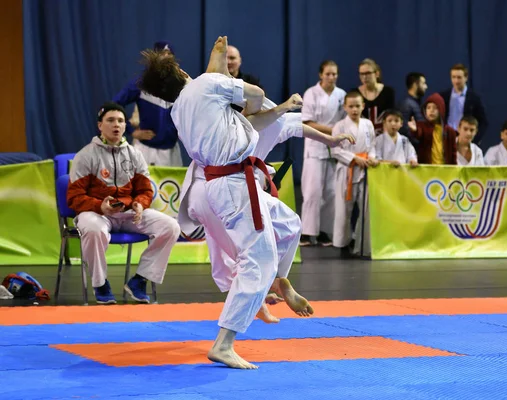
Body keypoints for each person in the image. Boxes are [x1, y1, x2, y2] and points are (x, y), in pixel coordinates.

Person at [138, 36, 313, 370]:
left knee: (290, 225)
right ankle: (224, 342)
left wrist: (218, 71)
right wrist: (227, 77)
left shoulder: (179, 108)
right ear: (179, 71)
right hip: (234, 184)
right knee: (256, 260)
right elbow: (257, 97)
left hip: (223, 182)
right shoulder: (205, 85)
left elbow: (210, 90)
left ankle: (276, 281)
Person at [177, 97, 355, 323]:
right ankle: (273, 283)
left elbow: (296, 125)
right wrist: (329, 140)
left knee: (238, 258)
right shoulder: (272, 120)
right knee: (285, 228)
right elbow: (298, 126)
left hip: (221, 192)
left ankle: (265, 291)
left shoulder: (226, 120)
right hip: (231, 189)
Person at [67, 102, 180, 304]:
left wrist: (139, 204)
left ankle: (140, 280)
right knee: (94, 229)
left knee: (170, 226)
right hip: (96, 213)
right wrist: (99, 206)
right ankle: (100, 284)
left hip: (128, 213)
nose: (116, 125)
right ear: (100, 125)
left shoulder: (135, 155)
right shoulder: (85, 156)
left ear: (126, 126)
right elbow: (74, 197)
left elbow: (145, 190)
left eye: (120, 121)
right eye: (110, 120)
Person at [113, 41, 182, 166]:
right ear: (154, 57)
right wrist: (131, 131)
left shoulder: (180, 84)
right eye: (162, 53)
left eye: (169, 53)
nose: (166, 56)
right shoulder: (142, 83)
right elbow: (115, 105)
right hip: (147, 151)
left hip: (172, 151)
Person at [300, 60, 346, 247]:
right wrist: (332, 130)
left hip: (334, 148)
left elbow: (345, 121)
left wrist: (338, 132)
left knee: (331, 193)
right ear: (321, 75)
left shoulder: (341, 95)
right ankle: (306, 232)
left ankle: (324, 232)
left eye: (334, 74)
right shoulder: (311, 93)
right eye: (328, 74)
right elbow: (307, 122)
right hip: (314, 147)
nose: (331, 77)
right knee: (312, 191)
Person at [331, 92, 378, 256]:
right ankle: (342, 245)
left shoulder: (368, 124)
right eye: (350, 106)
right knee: (343, 209)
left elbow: (372, 145)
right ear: (345, 107)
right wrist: (353, 159)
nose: (354, 109)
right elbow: (335, 150)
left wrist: (371, 157)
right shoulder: (339, 126)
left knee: (365, 209)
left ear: (363, 106)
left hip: (365, 170)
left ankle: (362, 245)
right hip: (346, 170)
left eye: (357, 106)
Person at [439, 64, 488, 144]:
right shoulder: (443, 96)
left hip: (465, 138)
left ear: (466, 78)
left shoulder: (474, 98)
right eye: (453, 77)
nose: (456, 81)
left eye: (459, 77)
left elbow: (483, 122)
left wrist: (475, 140)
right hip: (446, 137)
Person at [407, 93, 457, 165]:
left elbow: (453, 154)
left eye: (435, 108)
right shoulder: (422, 126)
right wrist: (415, 130)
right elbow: (419, 133)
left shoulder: (450, 131)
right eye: (428, 108)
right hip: (427, 170)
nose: (431, 110)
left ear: (441, 109)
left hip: (445, 170)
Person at [351, 58, 395, 132]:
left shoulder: (388, 92)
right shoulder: (355, 93)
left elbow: (391, 116)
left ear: (377, 74)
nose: (364, 77)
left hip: (383, 136)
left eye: (368, 73)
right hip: (361, 136)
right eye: (361, 74)